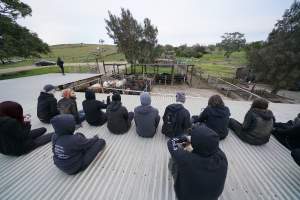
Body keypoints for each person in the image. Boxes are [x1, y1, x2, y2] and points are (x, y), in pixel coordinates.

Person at [167, 125, 228, 200]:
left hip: (186, 197)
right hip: (212, 197)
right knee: (187, 147)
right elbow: (207, 147)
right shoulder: (222, 156)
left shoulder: (185, 159)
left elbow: (171, 142)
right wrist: (190, 142)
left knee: (173, 159)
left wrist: (184, 138)